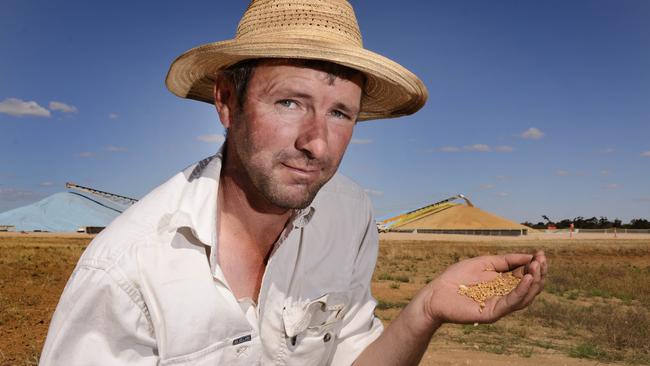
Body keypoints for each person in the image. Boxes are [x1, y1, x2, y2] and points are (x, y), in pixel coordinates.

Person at [40, 1, 547, 365]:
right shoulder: (127, 273)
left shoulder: (347, 214)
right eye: (289, 102)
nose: (318, 144)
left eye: (340, 113)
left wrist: (426, 310)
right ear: (226, 101)